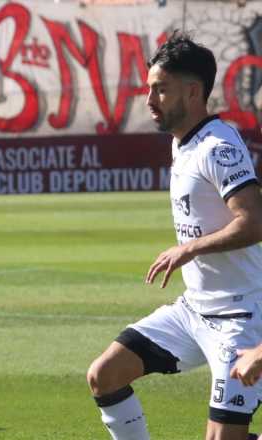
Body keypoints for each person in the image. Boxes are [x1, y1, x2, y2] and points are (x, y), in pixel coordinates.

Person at [86, 32, 262, 440]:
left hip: (240, 319)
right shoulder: (183, 143)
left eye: (160, 89)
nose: (149, 100)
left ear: (193, 91)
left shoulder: (218, 147)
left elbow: (253, 222)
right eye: (149, 88)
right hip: (194, 311)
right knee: (105, 375)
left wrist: (189, 249)